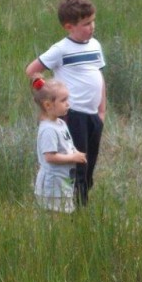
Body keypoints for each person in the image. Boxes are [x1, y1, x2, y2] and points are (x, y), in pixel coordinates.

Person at [25, 0, 106, 206]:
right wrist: (47, 92)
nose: (91, 27)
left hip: (93, 116)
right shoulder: (61, 49)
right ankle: (71, 208)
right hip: (74, 114)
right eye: (86, 24)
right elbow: (32, 70)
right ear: (69, 26)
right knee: (77, 164)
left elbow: (98, 76)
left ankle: (81, 205)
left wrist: (101, 112)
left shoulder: (95, 45)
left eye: (93, 21)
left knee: (89, 163)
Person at [32, 77, 87, 213]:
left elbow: (67, 144)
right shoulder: (48, 130)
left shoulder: (60, 123)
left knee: (65, 213)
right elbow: (50, 157)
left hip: (63, 183)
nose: (68, 104)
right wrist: (73, 158)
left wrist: (76, 152)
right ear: (48, 105)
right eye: (63, 100)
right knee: (56, 217)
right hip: (52, 188)